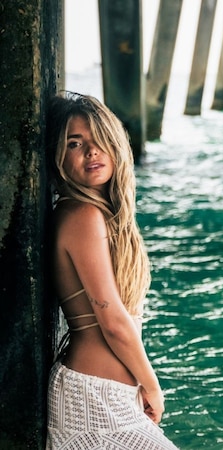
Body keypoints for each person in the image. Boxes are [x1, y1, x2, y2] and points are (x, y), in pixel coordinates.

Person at [45, 92, 178, 449]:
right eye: (75, 143)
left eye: (99, 140)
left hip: (105, 397)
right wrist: (152, 386)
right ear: (59, 157)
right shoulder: (83, 216)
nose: (91, 151)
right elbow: (114, 322)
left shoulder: (94, 213)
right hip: (94, 402)